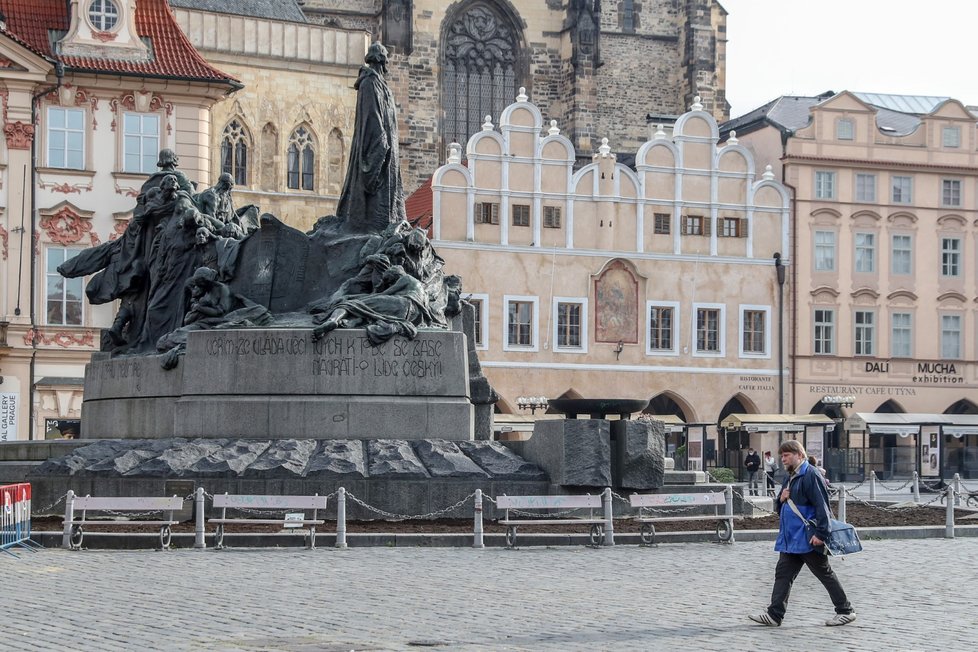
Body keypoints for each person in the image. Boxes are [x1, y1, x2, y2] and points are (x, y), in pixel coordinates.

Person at [749, 440, 855, 627]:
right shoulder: (790, 476)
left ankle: (845, 611)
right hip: (791, 539)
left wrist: (821, 534)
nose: (783, 459)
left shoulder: (810, 475)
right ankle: (774, 614)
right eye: (782, 456)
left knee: (824, 573)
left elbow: (822, 507)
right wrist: (781, 499)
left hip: (807, 538)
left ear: (799, 454)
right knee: (783, 574)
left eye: (787, 455)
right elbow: (780, 506)